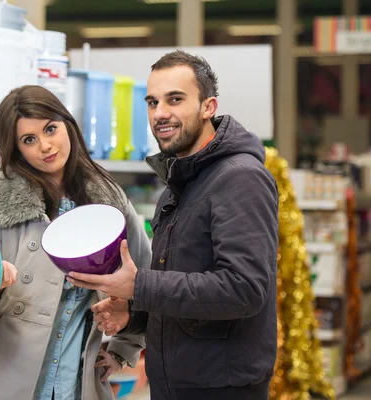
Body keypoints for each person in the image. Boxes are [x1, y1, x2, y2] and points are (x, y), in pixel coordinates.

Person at [67, 50, 279, 400]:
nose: (160, 113)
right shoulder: (180, 184)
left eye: (175, 99)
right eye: (152, 102)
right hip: (175, 383)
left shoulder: (240, 178)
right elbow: (185, 289)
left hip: (223, 389)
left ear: (208, 106)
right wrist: (133, 315)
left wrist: (139, 286)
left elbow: (244, 289)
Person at [0, 85, 151, 400]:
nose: (46, 146)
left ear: (67, 124)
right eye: (29, 139)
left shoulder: (109, 201)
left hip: (78, 384)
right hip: (0, 381)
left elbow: (147, 281)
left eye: (50, 128)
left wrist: (123, 350)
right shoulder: (1, 204)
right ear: (16, 150)